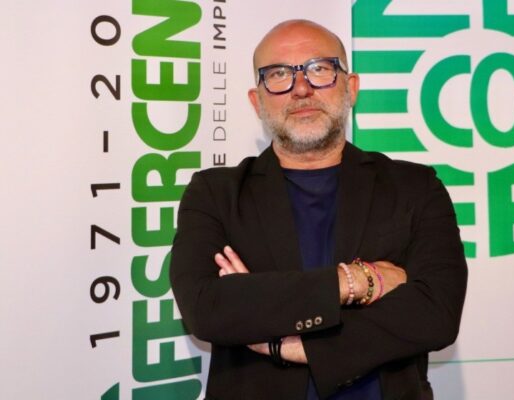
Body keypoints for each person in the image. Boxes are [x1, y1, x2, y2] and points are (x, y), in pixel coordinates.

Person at [170, 19, 468, 400]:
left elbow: (436, 315)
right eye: (278, 74)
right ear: (257, 100)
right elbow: (207, 308)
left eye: (320, 69)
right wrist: (358, 280)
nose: (301, 88)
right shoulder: (215, 194)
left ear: (351, 87)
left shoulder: (415, 187)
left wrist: (292, 344)